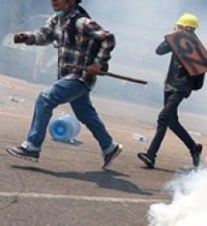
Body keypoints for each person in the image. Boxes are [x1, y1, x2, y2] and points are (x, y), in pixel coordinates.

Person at [7, 0, 123, 169]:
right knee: (85, 113)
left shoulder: (82, 22)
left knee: (45, 98)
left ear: (71, 1)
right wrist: (28, 37)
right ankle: (109, 147)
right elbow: (44, 35)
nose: (54, 1)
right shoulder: (57, 20)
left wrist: (97, 64)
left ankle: (32, 146)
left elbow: (108, 39)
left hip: (80, 77)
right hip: (67, 75)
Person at [137, 13, 205, 169]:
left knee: (163, 118)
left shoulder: (196, 46)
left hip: (181, 87)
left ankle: (151, 155)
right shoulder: (176, 41)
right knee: (172, 122)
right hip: (169, 84)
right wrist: (172, 36)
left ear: (187, 28)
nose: (177, 28)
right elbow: (159, 50)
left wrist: (190, 87)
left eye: (179, 26)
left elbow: (200, 71)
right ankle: (194, 148)